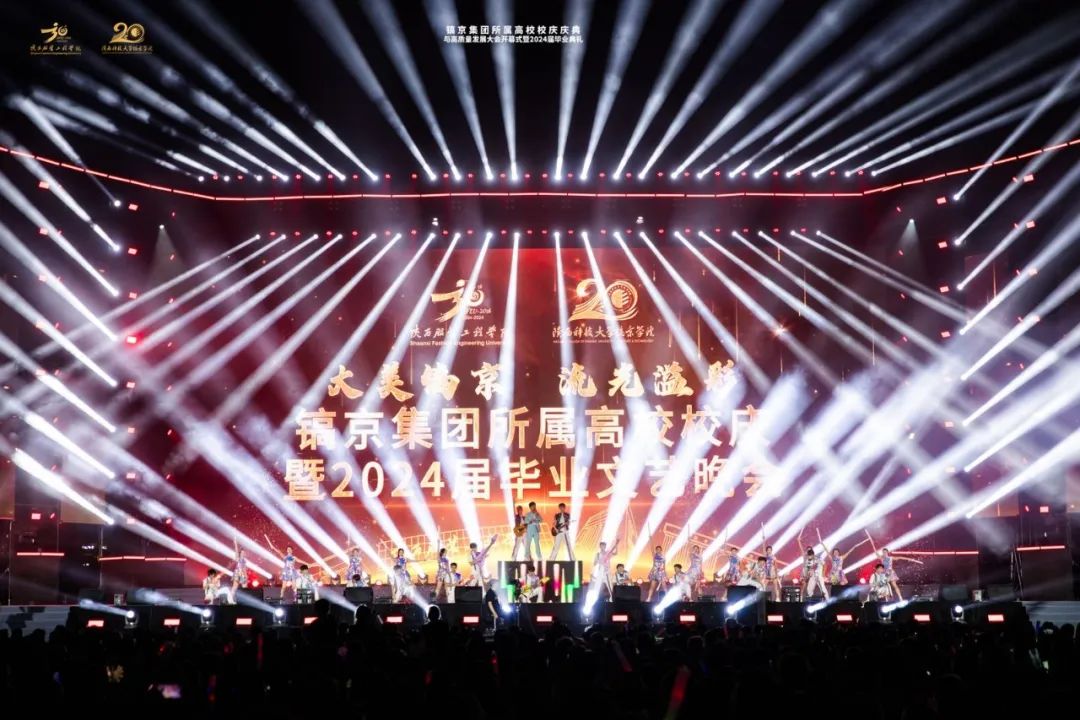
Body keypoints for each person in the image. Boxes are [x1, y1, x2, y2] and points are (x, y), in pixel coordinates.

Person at [865, 531, 923, 601]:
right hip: (884, 573)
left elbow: (901, 557)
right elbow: (875, 551)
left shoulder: (891, 558)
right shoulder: (881, 558)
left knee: (894, 585)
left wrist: (910, 559)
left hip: (890, 572)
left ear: (887, 552)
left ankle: (900, 598)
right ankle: (886, 599)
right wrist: (871, 542)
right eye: (883, 552)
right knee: (884, 587)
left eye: (885, 552)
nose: (884, 553)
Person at [797, 528, 827, 600]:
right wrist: (801, 531)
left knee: (818, 584)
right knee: (804, 584)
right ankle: (800, 598)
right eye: (808, 550)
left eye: (810, 550)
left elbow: (822, 564)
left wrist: (822, 573)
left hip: (813, 573)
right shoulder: (804, 556)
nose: (808, 551)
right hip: (805, 572)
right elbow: (798, 542)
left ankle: (823, 597)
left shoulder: (815, 558)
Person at [266, 536, 298, 602]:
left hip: (292, 572)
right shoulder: (285, 557)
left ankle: (295, 598)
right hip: (286, 572)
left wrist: (309, 564)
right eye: (288, 549)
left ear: (292, 550)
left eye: (290, 549)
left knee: (294, 586)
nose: (289, 550)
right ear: (287, 550)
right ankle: (281, 598)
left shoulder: (294, 557)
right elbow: (279, 552)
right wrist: (273, 548)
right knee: (283, 587)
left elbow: (300, 561)